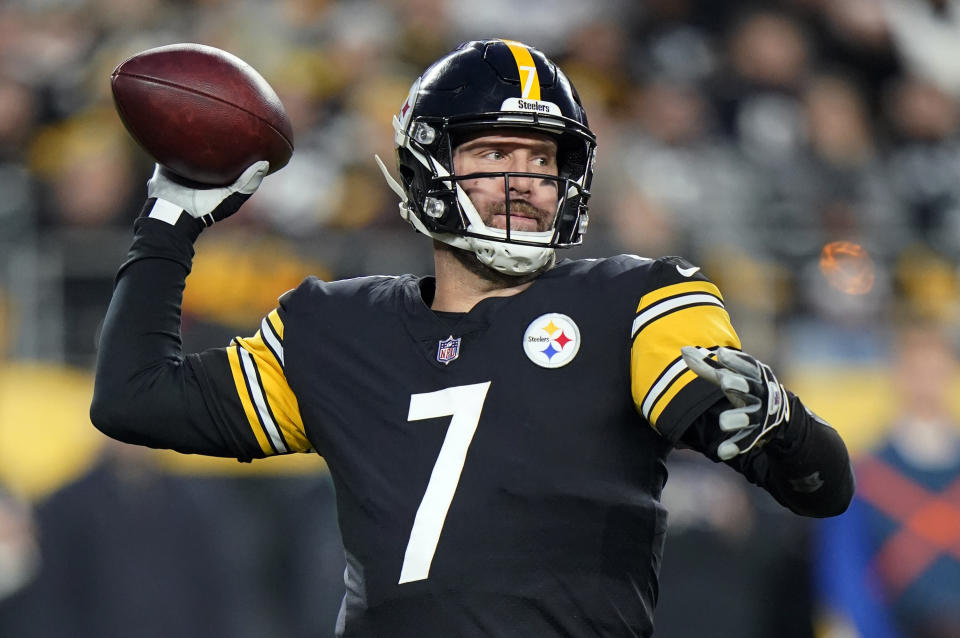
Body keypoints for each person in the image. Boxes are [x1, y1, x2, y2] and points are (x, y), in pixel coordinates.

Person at [91, 39, 855, 637]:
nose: (522, 179)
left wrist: (781, 427)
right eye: (492, 154)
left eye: (543, 159)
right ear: (429, 166)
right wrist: (173, 215)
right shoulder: (332, 327)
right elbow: (134, 400)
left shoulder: (637, 300)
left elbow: (819, 489)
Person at [815, 321, 960, 638]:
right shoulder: (863, 473)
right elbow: (845, 571)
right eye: (916, 371)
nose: (926, 383)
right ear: (898, 375)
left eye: (935, 370)